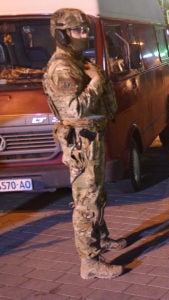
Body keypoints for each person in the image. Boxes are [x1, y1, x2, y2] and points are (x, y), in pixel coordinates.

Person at [42, 8, 126, 279]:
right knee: (86, 201)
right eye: (78, 30)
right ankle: (90, 262)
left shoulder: (77, 61)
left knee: (97, 195)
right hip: (82, 142)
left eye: (86, 30)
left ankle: (100, 240)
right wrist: (97, 82)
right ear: (62, 34)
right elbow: (74, 110)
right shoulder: (63, 67)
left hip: (92, 138)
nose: (85, 35)